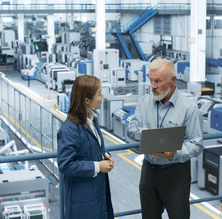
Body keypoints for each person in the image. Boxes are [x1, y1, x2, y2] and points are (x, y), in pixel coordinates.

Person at [127, 59, 203, 219]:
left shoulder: (189, 109)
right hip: (149, 171)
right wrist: (152, 138)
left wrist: (173, 153)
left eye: (158, 81)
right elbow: (132, 128)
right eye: (150, 80)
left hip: (176, 173)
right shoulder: (144, 102)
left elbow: (196, 144)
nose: (152, 85)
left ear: (172, 80)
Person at [57, 75, 114, 219]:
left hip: (97, 192)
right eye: (99, 93)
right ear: (87, 100)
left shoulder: (92, 120)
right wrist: (98, 166)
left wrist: (104, 156)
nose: (102, 96)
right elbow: (65, 164)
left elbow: (89, 147)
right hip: (82, 199)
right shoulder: (69, 129)